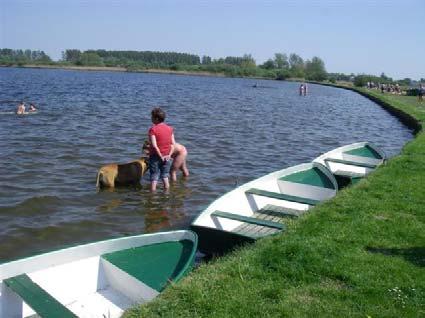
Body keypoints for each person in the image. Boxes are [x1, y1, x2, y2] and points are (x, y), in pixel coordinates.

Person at [147, 107, 175, 191]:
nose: (151, 118)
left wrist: (160, 156)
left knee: (154, 177)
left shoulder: (153, 129)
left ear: (156, 118)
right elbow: (173, 144)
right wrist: (169, 155)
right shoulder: (170, 129)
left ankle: (152, 197)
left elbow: (155, 146)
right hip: (167, 156)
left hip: (156, 156)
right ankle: (166, 195)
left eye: (152, 117)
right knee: (165, 176)